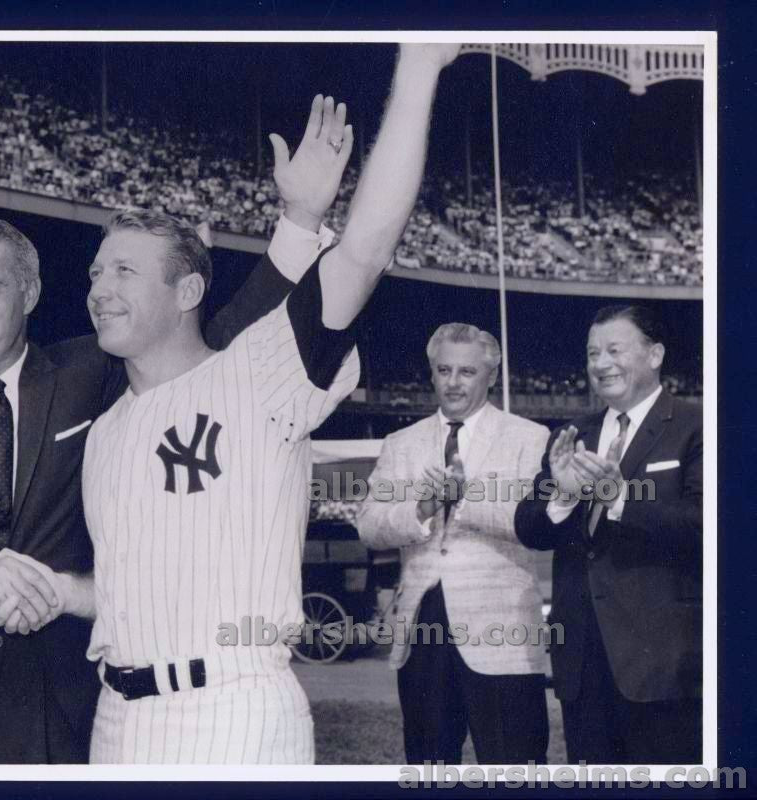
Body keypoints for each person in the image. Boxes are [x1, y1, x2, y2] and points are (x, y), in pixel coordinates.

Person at [0, 95, 352, 764]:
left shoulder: (91, 374)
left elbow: (214, 338)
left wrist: (299, 223)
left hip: (73, 719)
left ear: (29, 293)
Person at [78, 43, 460, 764]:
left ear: (188, 292)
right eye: (97, 272)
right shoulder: (106, 431)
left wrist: (417, 66)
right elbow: (132, 586)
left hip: (232, 711)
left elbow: (363, 250)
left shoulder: (257, 374)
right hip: (115, 718)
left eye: (124, 270)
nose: (99, 288)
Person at [514, 305, 702, 764]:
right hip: (583, 666)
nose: (600, 363)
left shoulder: (698, 426)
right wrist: (562, 495)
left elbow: (705, 526)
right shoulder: (573, 435)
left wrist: (619, 499)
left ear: (655, 355)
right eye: (592, 353)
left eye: (614, 350)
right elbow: (528, 527)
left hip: (663, 666)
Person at [357, 323, 551, 764]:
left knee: (515, 768)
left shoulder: (530, 437)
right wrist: (421, 508)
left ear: (491, 375)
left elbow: (532, 525)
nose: (453, 382)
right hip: (423, 627)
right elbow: (369, 526)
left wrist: (464, 499)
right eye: (444, 370)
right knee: (429, 766)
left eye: (467, 372)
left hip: (503, 634)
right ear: (431, 373)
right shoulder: (401, 443)